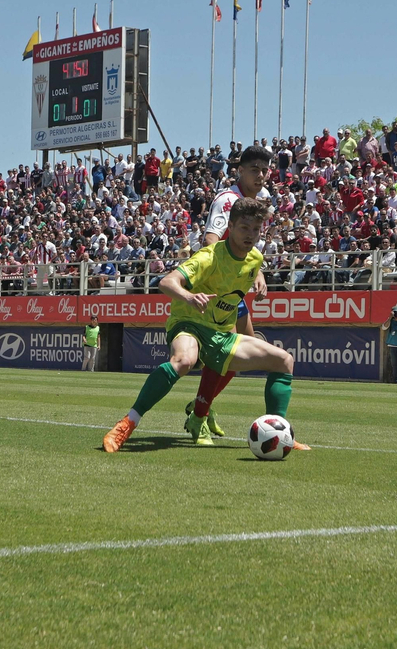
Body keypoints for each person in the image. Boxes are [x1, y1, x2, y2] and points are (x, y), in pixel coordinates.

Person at [103, 198, 298, 452]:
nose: (250, 235)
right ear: (230, 226)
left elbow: (251, 263)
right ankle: (128, 423)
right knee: (183, 361)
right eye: (244, 228)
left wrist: (260, 278)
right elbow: (166, 282)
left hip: (220, 334)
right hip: (189, 323)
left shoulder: (255, 258)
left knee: (284, 361)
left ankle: (279, 432)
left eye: (256, 230)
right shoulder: (209, 256)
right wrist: (189, 297)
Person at [180, 145, 274, 442]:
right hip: (218, 288)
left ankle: (201, 406)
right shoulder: (228, 199)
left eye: (264, 170)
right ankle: (200, 412)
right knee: (230, 354)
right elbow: (211, 237)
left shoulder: (257, 202)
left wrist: (256, 272)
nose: (260, 175)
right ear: (240, 171)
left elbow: (247, 248)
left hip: (234, 288)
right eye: (254, 169)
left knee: (243, 353)